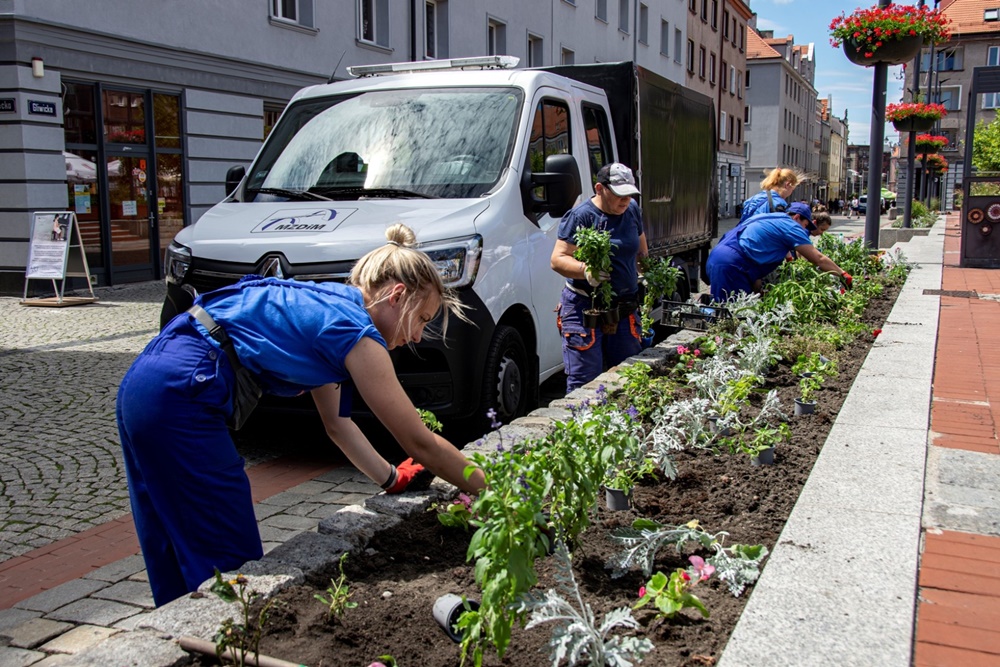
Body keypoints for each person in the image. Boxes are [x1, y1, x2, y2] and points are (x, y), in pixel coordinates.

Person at [117, 223, 486, 606]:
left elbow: (338, 425)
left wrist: (391, 477)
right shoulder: (356, 333)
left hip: (148, 380)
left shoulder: (328, 306)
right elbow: (419, 441)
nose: (416, 337)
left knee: (170, 545)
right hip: (182, 393)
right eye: (423, 319)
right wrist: (492, 493)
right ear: (396, 296)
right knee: (226, 556)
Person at [550, 163, 648, 392]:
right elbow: (557, 259)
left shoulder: (632, 209)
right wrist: (586, 271)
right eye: (618, 195)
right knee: (584, 383)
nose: (625, 201)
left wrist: (645, 272)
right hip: (585, 307)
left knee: (629, 377)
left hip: (624, 308)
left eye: (629, 195)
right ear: (599, 188)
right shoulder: (581, 216)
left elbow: (641, 250)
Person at [706, 202, 851, 302]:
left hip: (718, 257)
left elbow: (755, 260)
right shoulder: (791, 226)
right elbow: (817, 258)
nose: (805, 230)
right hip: (732, 265)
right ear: (797, 217)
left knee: (725, 307)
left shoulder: (769, 217)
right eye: (806, 225)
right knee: (730, 315)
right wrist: (843, 274)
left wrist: (758, 291)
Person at [738, 167, 806, 224]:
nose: (791, 192)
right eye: (792, 189)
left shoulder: (753, 199)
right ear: (787, 185)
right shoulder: (779, 203)